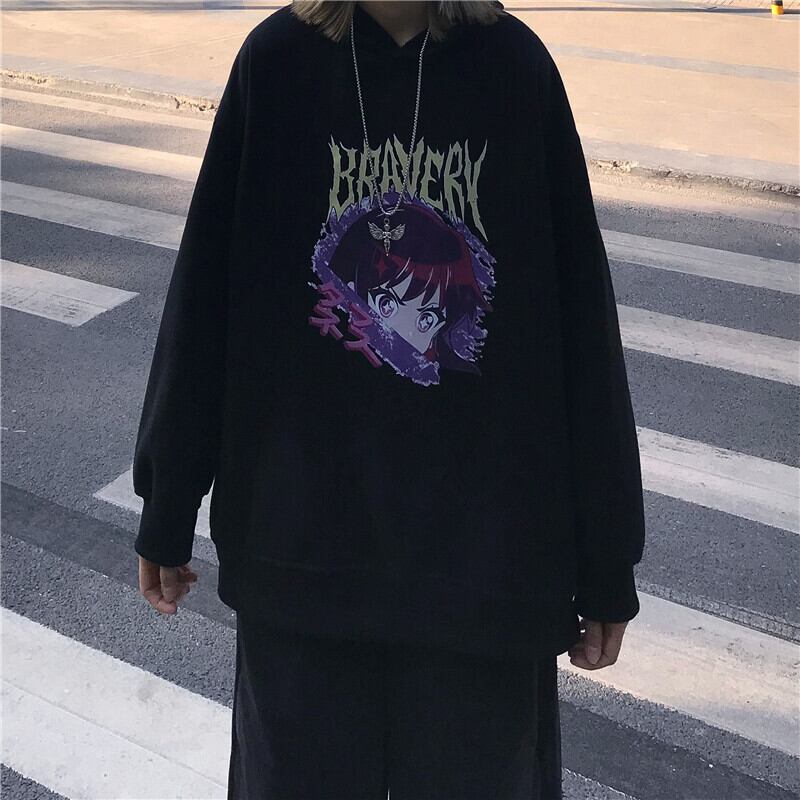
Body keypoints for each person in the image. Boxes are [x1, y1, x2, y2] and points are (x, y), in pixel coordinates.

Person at [133, 2, 647, 798]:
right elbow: (206, 297)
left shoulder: (515, 72)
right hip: (304, 566)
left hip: (485, 577)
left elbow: (580, 324)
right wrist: (168, 500)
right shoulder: (276, 65)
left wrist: (607, 555)